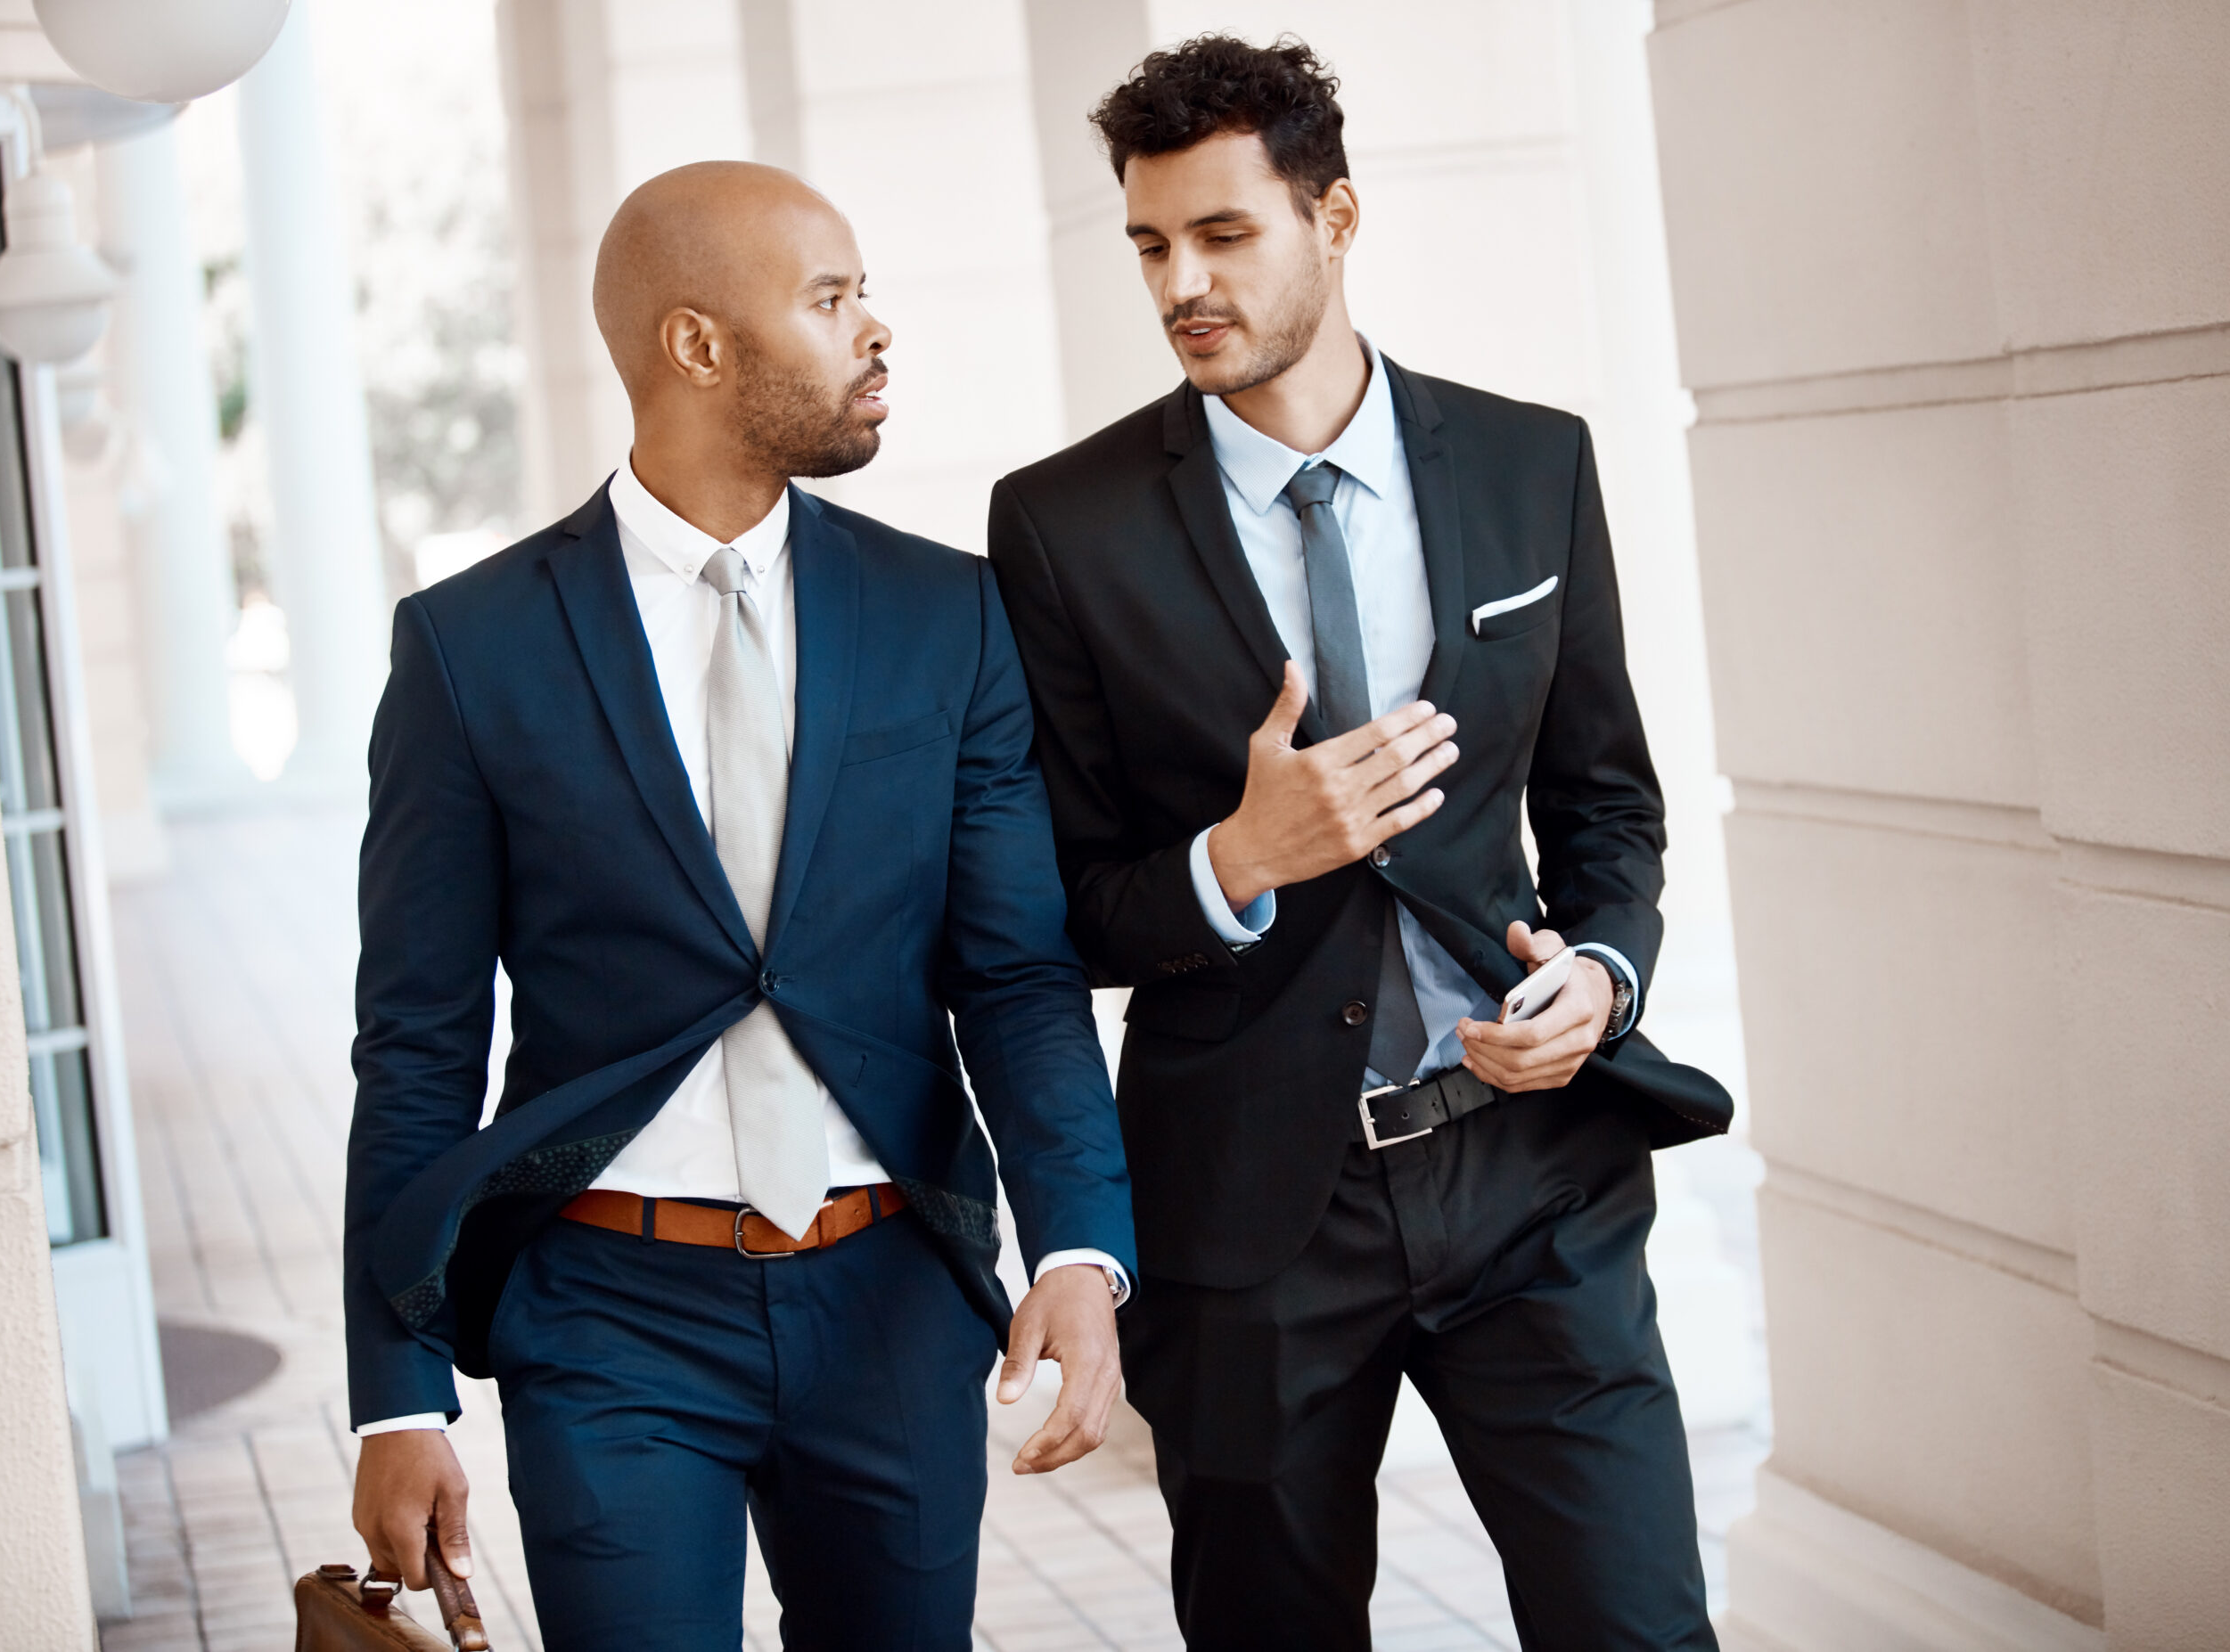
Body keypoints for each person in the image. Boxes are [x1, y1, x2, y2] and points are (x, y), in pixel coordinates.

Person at [986, 35, 1733, 1652]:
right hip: (1255, 1210)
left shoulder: (1536, 464)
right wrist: (1238, 859)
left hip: (1537, 1174)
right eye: (1149, 246)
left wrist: (1602, 973)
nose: (1180, 281)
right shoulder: (1062, 525)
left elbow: (1607, 801)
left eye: (1223, 235)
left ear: (1334, 218)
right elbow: (1064, 902)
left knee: (1642, 1627)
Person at [342, 160, 1135, 1650]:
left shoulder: (946, 614)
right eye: (832, 300)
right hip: (610, 1317)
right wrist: (398, 1389)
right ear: (696, 343)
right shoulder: (470, 649)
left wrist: (1082, 1254)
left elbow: (1017, 976)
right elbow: (417, 1045)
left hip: (891, 1296)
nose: (876, 331)